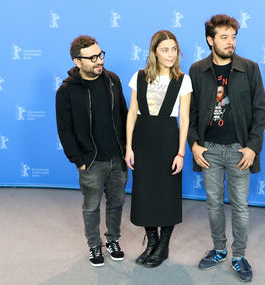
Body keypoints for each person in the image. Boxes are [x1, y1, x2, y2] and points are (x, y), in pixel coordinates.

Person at [188, 15, 265, 282]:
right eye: (224, 37)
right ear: (210, 40)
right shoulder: (197, 70)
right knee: (213, 205)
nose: (230, 42)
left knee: (240, 207)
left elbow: (260, 110)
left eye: (233, 37)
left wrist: (252, 147)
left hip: (239, 151)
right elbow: (191, 111)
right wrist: (194, 145)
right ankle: (219, 249)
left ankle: (238, 255)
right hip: (208, 149)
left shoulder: (250, 68)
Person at [56, 35, 128, 267]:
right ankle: (94, 245)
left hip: (118, 158)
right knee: (91, 206)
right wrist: (79, 161)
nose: (100, 61)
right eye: (93, 57)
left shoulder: (112, 80)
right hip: (91, 161)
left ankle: (113, 240)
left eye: (101, 55)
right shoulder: (66, 92)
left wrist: (127, 148)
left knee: (116, 203)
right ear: (78, 62)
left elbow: (124, 115)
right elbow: (64, 131)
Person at [125, 30, 192, 268]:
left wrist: (181, 152)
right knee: (144, 194)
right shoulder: (139, 77)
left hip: (168, 140)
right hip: (142, 140)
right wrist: (129, 147)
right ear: (154, 52)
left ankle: (163, 246)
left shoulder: (183, 80)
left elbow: (184, 119)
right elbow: (132, 113)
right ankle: (151, 242)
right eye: (165, 49)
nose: (171, 54)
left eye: (174, 49)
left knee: (167, 195)